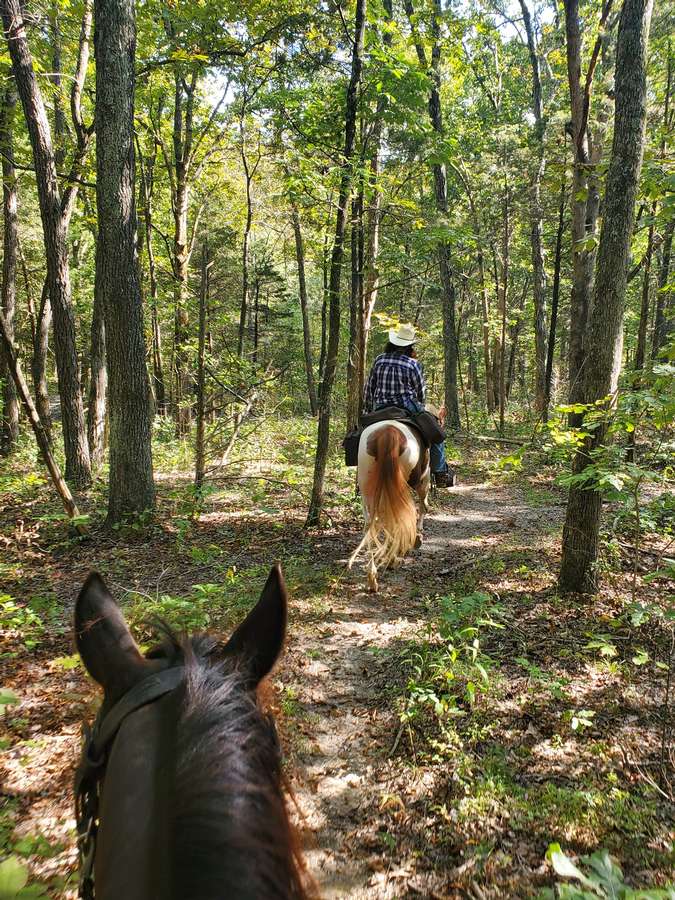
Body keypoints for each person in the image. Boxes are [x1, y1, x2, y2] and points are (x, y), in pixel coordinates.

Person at [363, 323, 452, 487]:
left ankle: (359, 481)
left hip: (380, 407)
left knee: (360, 434)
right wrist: (420, 406)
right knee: (436, 434)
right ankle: (440, 473)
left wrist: (368, 409)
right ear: (409, 346)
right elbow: (421, 394)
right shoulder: (413, 364)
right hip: (407, 408)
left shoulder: (379, 360)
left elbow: (369, 388)